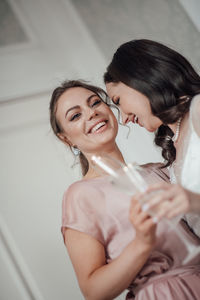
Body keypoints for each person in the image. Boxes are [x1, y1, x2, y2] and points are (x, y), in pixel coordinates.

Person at [50, 80, 200, 300]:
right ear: (66, 139)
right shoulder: (80, 196)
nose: (91, 113)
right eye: (75, 116)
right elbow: (93, 292)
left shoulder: (160, 170)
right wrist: (142, 243)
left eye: (95, 103)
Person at [104, 39, 200, 236]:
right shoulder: (175, 145)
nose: (124, 119)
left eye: (118, 101)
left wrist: (193, 201)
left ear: (140, 78)